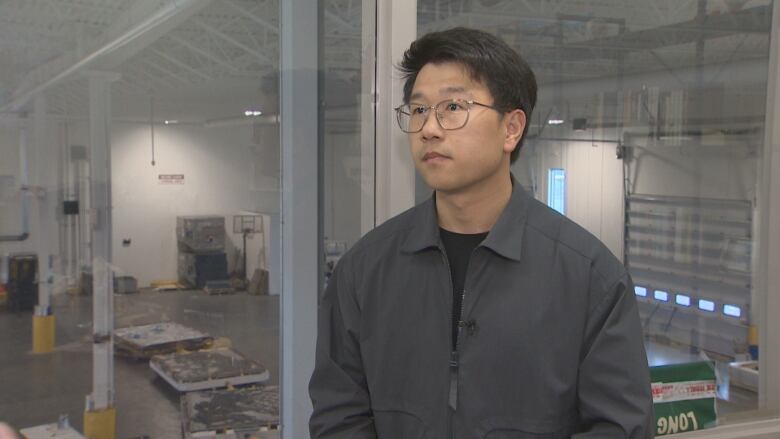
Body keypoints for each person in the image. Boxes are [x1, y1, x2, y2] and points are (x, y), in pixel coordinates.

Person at [309, 27, 653, 438]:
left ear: (511, 128)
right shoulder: (364, 272)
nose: (429, 129)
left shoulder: (590, 278)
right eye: (418, 110)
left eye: (452, 106)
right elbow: (338, 416)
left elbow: (621, 428)